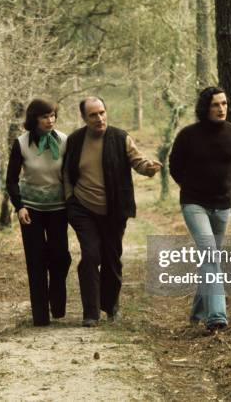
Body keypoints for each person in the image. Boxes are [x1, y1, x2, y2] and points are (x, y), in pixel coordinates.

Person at [64, 96, 162, 327]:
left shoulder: (120, 138)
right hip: (83, 208)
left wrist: (148, 168)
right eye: (93, 115)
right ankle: (90, 312)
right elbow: (67, 173)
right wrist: (70, 198)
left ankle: (110, 305)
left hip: (114, 209)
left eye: (102, 112)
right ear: (84, 118)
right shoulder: (75, 140)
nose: (99, 118)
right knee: (90, 256)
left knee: (112, 258)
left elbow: (137, 160)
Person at [168, 86, 231, 332]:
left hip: (222, 205)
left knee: (207, 260)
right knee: (211, 256)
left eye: (224, 104)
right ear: (205, 107)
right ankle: (217, 316)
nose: (221, 109)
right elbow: (175, 166)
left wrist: (225, 190)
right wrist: (191, 189)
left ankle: (197, 312)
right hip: (194, 203)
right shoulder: (188, 135)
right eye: (215, 104)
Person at [6, 98, 71, 326]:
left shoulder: (63, 140)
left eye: (53, 115)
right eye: (45, 116)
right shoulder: (22, 143)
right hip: (30, 209)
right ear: (34, 119)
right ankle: (40, 315)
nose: (50, 120)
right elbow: (11, 179)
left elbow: (72, 175)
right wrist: (19, 206)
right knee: (36, 261)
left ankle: (58, 303)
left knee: (61, 257)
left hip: (58, 209)